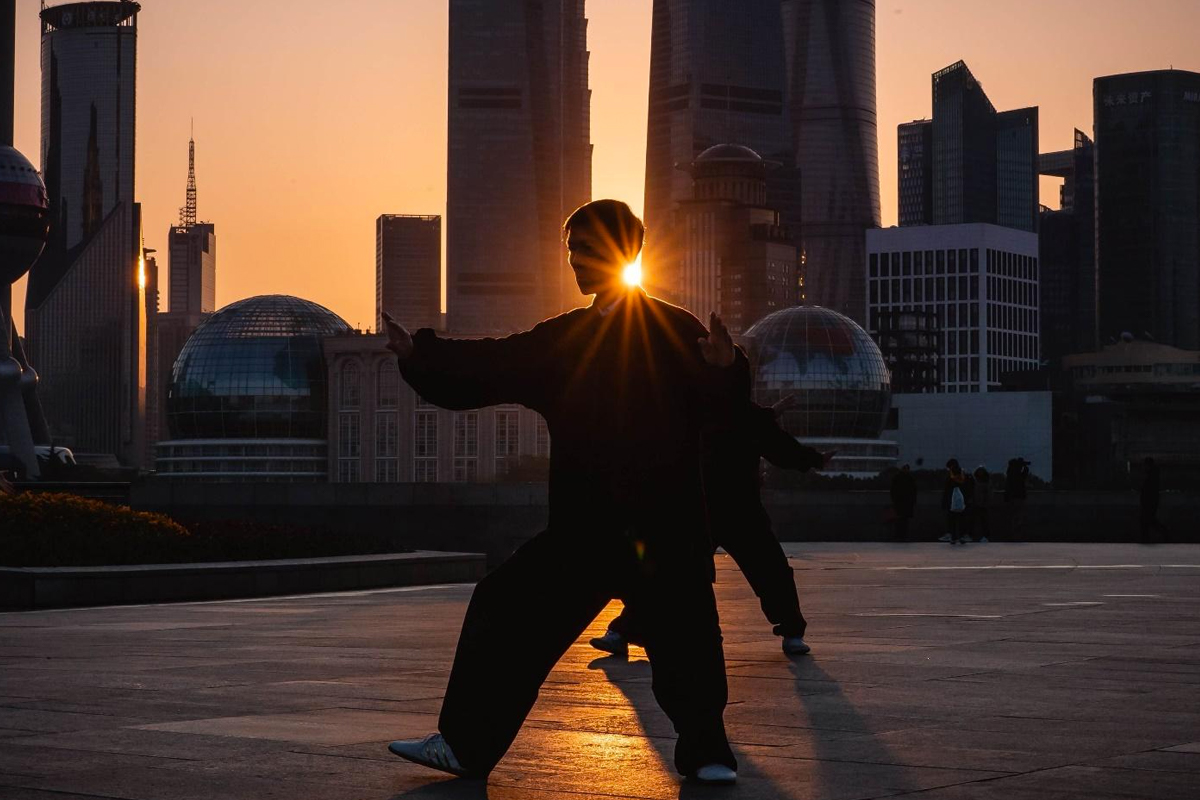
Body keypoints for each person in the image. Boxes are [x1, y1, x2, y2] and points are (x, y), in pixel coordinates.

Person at [384, 199, 747, 785]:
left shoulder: (681, 333)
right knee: (503, 609)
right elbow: (492, 363)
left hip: (660, 527)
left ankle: (708, 753)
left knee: (689, 640)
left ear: (620, 252)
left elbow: (726, 408)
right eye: (570, 250)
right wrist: (419, 355)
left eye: (584, 249)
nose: (574, 261)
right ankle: (465, 746)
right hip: (589, 529)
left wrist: (727, 369)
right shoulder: (567, 338)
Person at [590, 397, 833, 658]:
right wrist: (812, 458)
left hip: (728, 508)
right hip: (711, 507)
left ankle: (622, 632)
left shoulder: (713, 408)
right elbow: (779, 446)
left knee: (763, 569)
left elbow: (778, 446)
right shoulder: (725, 410)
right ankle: (792, 632)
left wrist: (810, 457)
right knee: (683, 571)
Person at [942, 459, 973, 545]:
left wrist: (944, 502)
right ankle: (963, 536)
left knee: (952, 519)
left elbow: (947, 490)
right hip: (963, 501)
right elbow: (969, 488)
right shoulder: (964, 475)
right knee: (962, 519)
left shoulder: (950, 477)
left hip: (952, 501)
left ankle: (953, 537)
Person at [1140, 457, 1169, 541]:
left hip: (1149, 502)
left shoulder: (1150, 477)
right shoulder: (1154, 476)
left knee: (1146, 521)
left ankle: (1146, 538)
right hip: (1151, 502)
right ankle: (1164, 533)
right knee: (1149, 521)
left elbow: (1147, 491)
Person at [889, 465, 918, 541]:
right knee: (904, 520)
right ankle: (903, 536)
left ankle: (899, 536)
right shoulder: (909, 478)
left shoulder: (897, 478)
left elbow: (893, 490)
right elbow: (913, 490)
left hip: (900, 503)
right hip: (906, 503)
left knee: (900, 520)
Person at [1005, 457, 1030, 536]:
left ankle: (1013, 531)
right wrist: (1024, 467)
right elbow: (1023, 477)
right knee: (1018, 514)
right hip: (1018, 496)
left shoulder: (1010, 472)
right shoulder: (1016, 474)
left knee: (1014, 514)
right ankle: (1016, 530)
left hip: (1012, 496)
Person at [969, 465, 992, 543]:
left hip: (980, 505)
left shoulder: (976, 483)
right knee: (983, 521)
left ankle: (979, 536)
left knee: (980, 521)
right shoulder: (986, 483)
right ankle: (984, 536)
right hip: (980, 504)